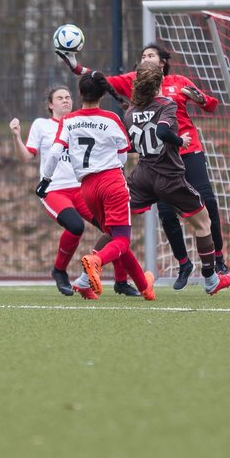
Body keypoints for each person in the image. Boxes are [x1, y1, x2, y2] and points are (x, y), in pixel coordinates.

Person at [57, 43, 229, 289]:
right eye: (143, 55)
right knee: (190, 218)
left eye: (151, 55)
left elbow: (210, 105)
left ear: (161, 62)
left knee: (120, 226)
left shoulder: (160, 93)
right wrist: (76, 66)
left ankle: (86, 275)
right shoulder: (151, 94)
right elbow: (102, 81)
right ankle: (203, 274)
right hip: (167, 166)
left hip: (158, 166)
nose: (146, 57)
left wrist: (200, 98)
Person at [9, 87, 142, 297]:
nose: (65, 100)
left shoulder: (80, 121)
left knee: (113, 230)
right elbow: (26, 156)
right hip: (55, 190)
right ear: (50, 104)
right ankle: (59, 271)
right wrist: (17, 137)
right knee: (75, 226)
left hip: (83, 188)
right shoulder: (41, 125)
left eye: (68, 97)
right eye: (59, 98)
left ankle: (121, 281)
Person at [37, 72, 155, 301]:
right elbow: (123, 155)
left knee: (113, 235)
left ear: (79, 94)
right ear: (103, 94)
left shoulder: (68, 121)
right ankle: (96, 261)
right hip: (111, 181)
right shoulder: (111, 119)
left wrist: (46, 179)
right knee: (121, 239)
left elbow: (54, 151)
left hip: (87, 187)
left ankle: (144, 287)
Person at [124, 62, 230, 296]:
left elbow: (130, 144)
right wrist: (180, 142)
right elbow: (163, 132)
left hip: (143, 174)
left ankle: (91, 267)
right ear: (159, 82)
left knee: (118, 222)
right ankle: (210, 278)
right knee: (203, 221)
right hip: (168, 174)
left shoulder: (129, 112)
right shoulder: (166, 103)